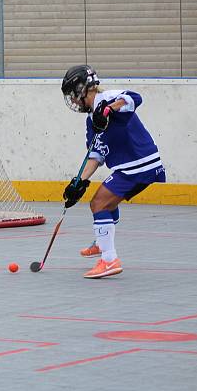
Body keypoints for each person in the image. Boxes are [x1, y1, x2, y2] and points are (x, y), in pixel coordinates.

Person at [60, 65, 165, 279]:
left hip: (136, 164)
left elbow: (134, 98)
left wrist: (108, 109)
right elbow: (96, 155)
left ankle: (109, 259)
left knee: (98, 204)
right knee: (107, 202)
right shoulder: (91, 122)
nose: (72, 100)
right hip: (133, 167)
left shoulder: (107, 97)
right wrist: (78, 182)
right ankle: (101, 242)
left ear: (82, 89)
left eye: (73, 94)